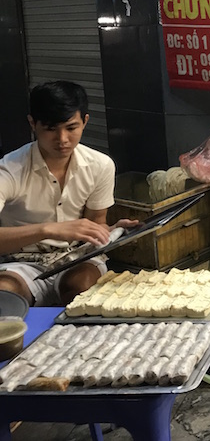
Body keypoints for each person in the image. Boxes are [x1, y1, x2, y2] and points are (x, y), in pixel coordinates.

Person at [0, 81, 137, 306]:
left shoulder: (100, 165)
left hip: (77, 258)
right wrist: (47, 230)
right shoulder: (9, 170)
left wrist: (111, 231)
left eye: (71, 128)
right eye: (51, 129)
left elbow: (96, 224)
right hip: (21, 263)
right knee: (5, 293)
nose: (62, 139)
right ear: (33, 124)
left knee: (81, 286)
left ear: (85, 121)